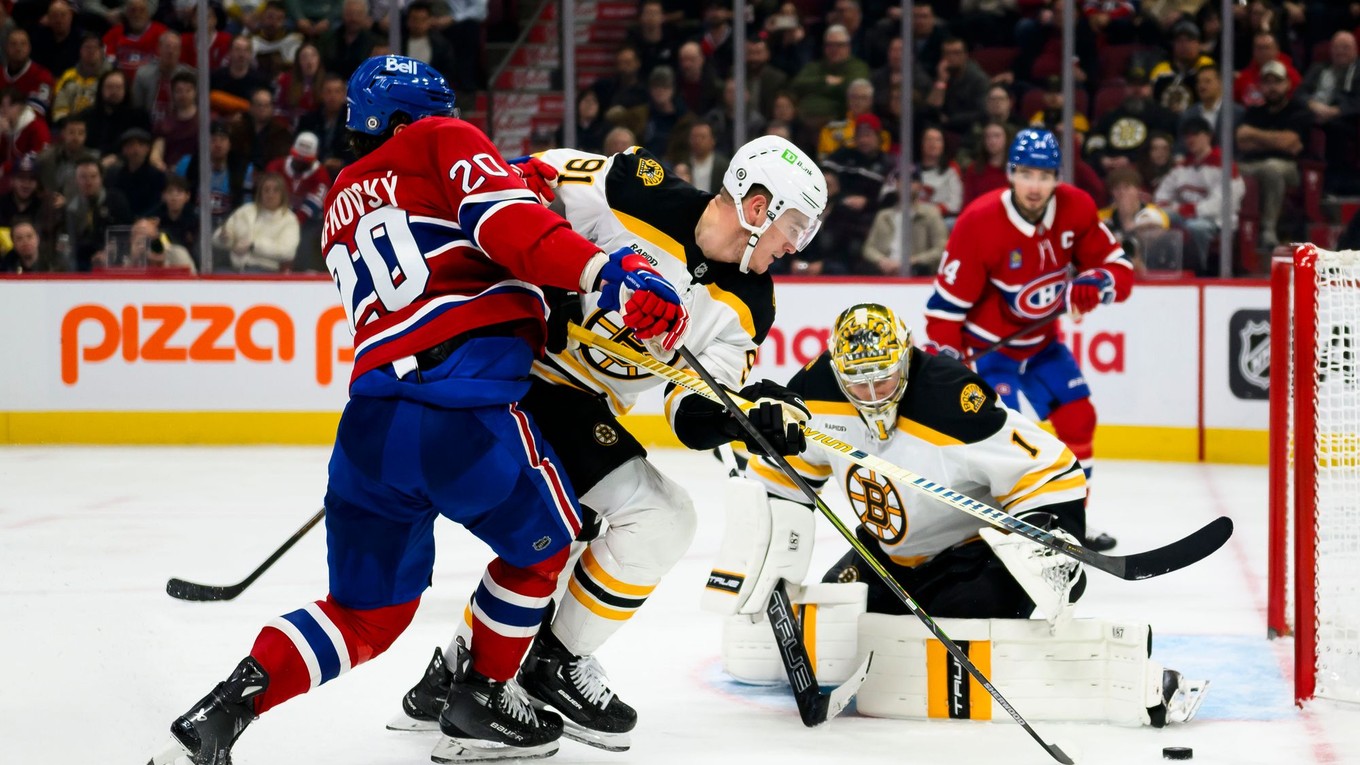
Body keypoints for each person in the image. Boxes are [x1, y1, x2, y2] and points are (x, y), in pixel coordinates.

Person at [148, 54, 688, 765]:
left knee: (365, 614)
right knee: (546, 546)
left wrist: (510, 177)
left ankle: (228, 704)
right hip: (462, 411)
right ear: (413, 117)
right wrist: (600, 269)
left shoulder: (340, 202)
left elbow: (437, 224)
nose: (455, 125)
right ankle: (484, 694)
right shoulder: (442, 141)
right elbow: (507, 229)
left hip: (372, 427)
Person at [389, 133, 827, 751]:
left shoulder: (751, 302)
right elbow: (508, 187)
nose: (795, 247)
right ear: (757, 208)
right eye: (795, 227)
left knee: (576, 530)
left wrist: (746, 420)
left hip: (574, 406)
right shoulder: (631, 186)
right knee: (655, 518)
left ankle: (458, 673)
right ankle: (552, 663)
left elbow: (690, 413)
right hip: (507, 369)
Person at [713, 303, 1207, 729]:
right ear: (837, 371)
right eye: (856, 384)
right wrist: (775, 554)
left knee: (950, 634)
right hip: (888, 556)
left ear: (905, 357)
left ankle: (1117, 672)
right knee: (835, 628)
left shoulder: (953, 403)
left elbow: (1054, 468)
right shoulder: (814, 394)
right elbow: (782, 479)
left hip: (973, 554)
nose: (871, 396)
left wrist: (1049, 536)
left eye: (882, 378)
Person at [923, 128, 1133, 551]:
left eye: (1045, 175)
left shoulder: (1077, 209)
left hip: (1041, 345)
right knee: (1011, 442)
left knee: (1079, 420)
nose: (1035, 186)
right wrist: (950, 359)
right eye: (1026, 174)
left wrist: (1095, 281)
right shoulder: (979, 223)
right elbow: (942, 313)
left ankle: (1075, 521)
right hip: (991, 353)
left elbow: (1120, 272)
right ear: (1011, 174)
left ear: (1057, 177)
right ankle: (1008, 530)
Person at [211, 170, 299, 272]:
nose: (270, 194)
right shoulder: (246, 211)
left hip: (267, 270)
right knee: (217, 274)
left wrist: (253, 246)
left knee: (252, 272)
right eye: (266, 190)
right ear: (260, 193)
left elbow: (288, 252)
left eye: (275, 190)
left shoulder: (289, 219)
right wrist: (224, 238)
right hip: (235, 267)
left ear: (283, 194)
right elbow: (217, 238)